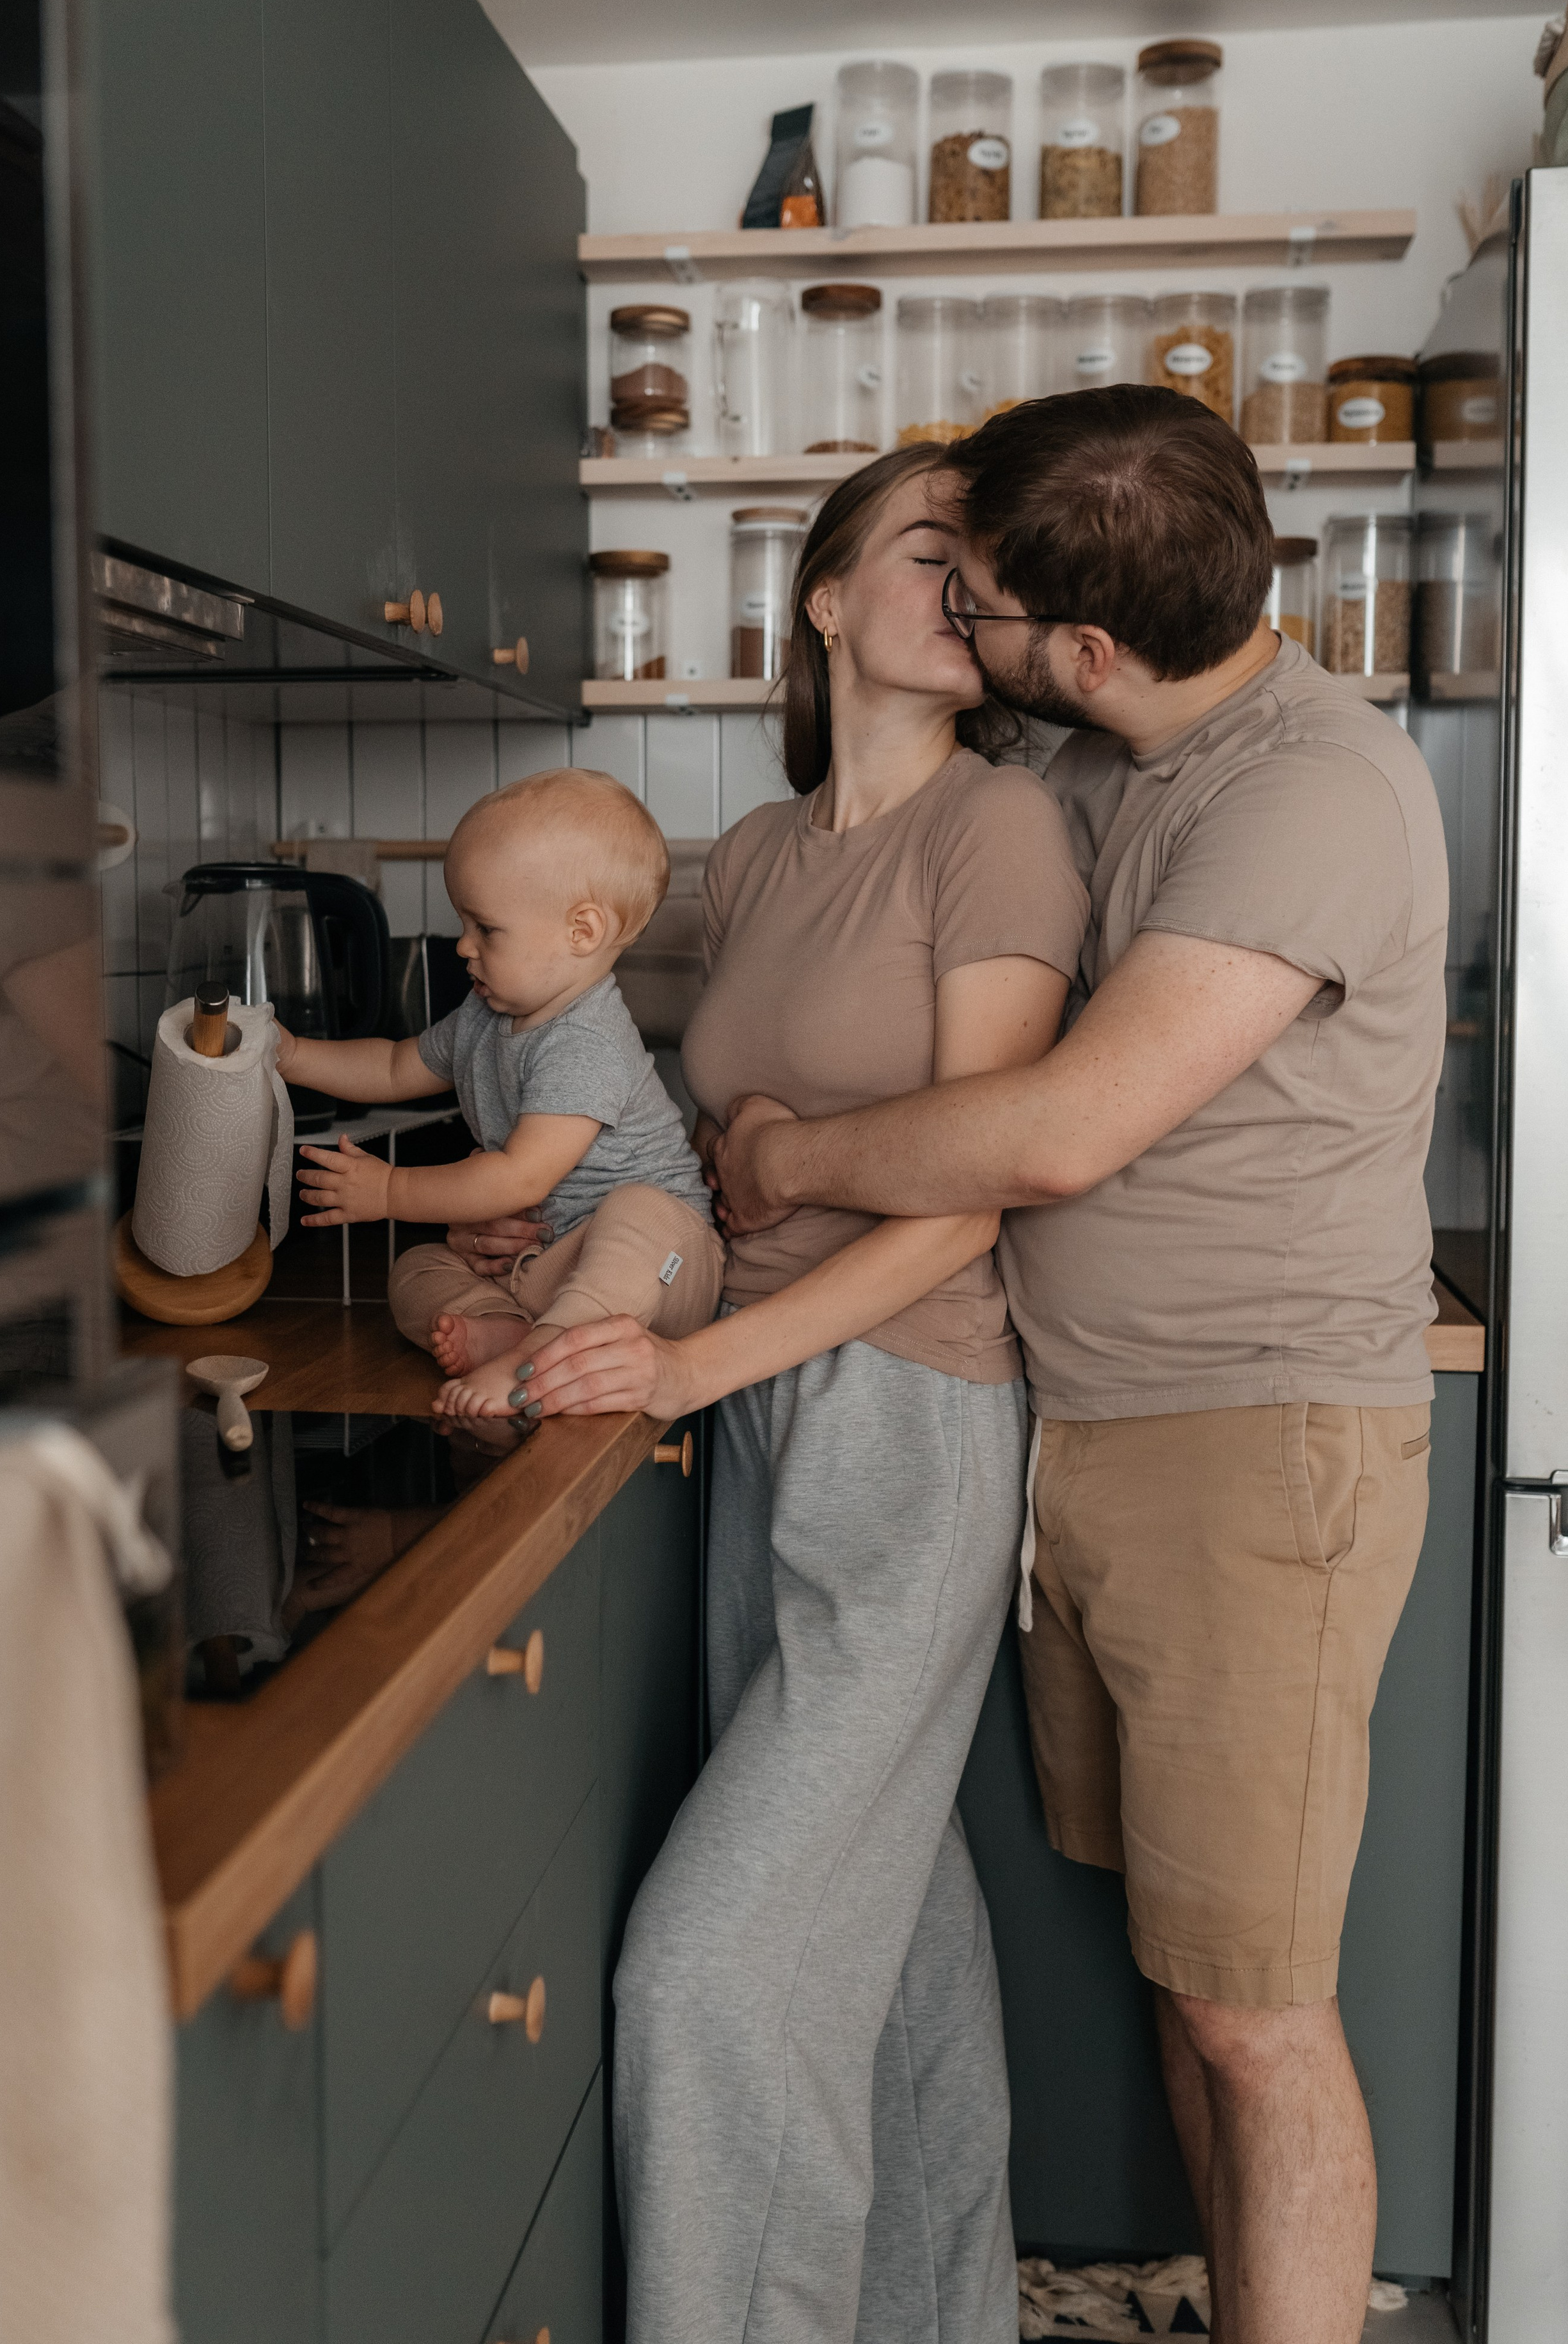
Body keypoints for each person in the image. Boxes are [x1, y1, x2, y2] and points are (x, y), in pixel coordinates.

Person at [638, 386, 1442, 2344]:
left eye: (978, 593)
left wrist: (785, 1159)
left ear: (1076, 648)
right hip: (1090, 1427)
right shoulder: (1096, 772)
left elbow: (1055, 1129)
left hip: (1254, 1440)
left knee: (1255, 2004)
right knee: (1186, 1976)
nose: (964, 622)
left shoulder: (1309, 788)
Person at [452, 444, 1088, 2340]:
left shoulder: (999, 831)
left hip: (899, 1420)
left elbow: (965, 1188)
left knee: (714, 1974)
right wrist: (557, 1264)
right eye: (926, 550)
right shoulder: (751, 855)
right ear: (822, 600)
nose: (966, 582)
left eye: (989, 559)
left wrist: (682, 1352)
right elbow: (710, 1137)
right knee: (882, 1949)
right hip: (753, 1410)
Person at [276, 767, 722, 1421]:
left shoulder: (584, 1042)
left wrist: (389, 1192)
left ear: (583, 932)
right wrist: (293, 1055)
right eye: (464, 922)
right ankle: (509, 1330)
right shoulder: (486, 1015)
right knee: (416, 1272)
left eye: (486, 928)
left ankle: (538, 1358)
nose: (463, 945)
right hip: (545, 1264)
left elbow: (518, 1178)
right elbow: (398, 1066)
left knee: (639, 1214)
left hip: (664, 1272)